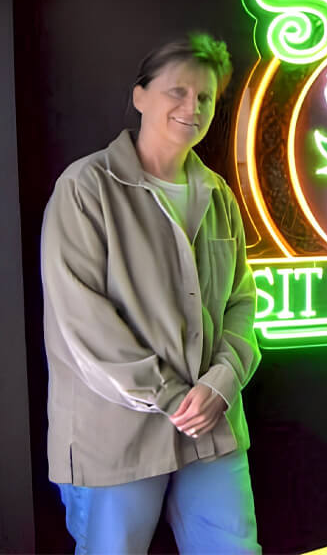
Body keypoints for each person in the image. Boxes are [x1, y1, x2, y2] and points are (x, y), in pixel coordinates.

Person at [41, 33, 262, 553]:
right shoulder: (85, 188)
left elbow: (242, 302)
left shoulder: (219, 195)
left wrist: (223, 382)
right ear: (140, 96)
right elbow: (83, 320)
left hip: (211, 429)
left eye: (204, 97)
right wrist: (170, 397)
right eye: (177, 91)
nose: (193, 107)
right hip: (116, 437)